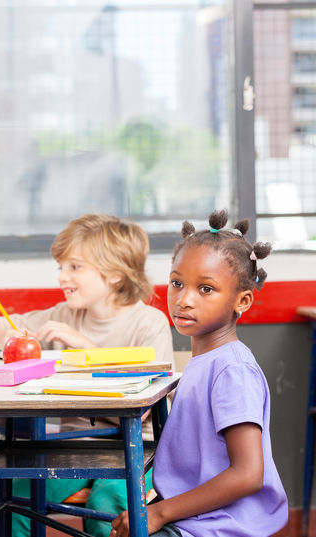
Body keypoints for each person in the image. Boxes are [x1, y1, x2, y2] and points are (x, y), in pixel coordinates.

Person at [0, 213, 173, 537]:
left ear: (114, 275)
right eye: (61, 267)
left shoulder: (148, 322)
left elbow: (143, 404)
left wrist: (86, 349)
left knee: (108, 503)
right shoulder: (64, 314)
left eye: (75, 267)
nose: (62, 277)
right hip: (71, 448)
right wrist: (13, 340)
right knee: (18, 500)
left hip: (139, 452)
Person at [110, 209, 287, 537]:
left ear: (242, 301)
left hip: (223, 525)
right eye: (177, 283)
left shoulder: (232, 370)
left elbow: (248, 474)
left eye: (205, 289)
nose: (183, 300)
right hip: (195, 515)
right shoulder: (206, 361)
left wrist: (160, 512)